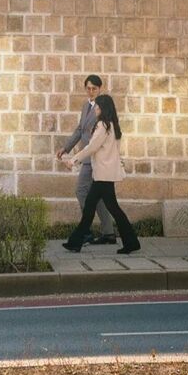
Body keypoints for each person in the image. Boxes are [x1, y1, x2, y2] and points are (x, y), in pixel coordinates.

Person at [60, 94, 140, 255]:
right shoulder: (112, 125)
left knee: (103, 208)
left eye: (97, 106)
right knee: (96, 208)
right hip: (106, 174)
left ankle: (76, 242)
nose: (95, 108)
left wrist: (73, 160)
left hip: (102, 175)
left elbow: (91, 147)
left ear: (103, 108)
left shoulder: (103, 125)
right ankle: (76, 242)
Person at [56, 75, 117, 244]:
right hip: (87, 158)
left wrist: (75, 159)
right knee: (98, 197)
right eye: (88, 88)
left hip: (93, 158)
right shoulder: (85, 106)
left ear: (99, 89)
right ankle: (108, 233)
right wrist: (66, 147)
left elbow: (97, 139)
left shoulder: (102, 109)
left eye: (94, 89)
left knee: (81, 191)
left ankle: (86, 230)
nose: (91, 92)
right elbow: (79, 130)